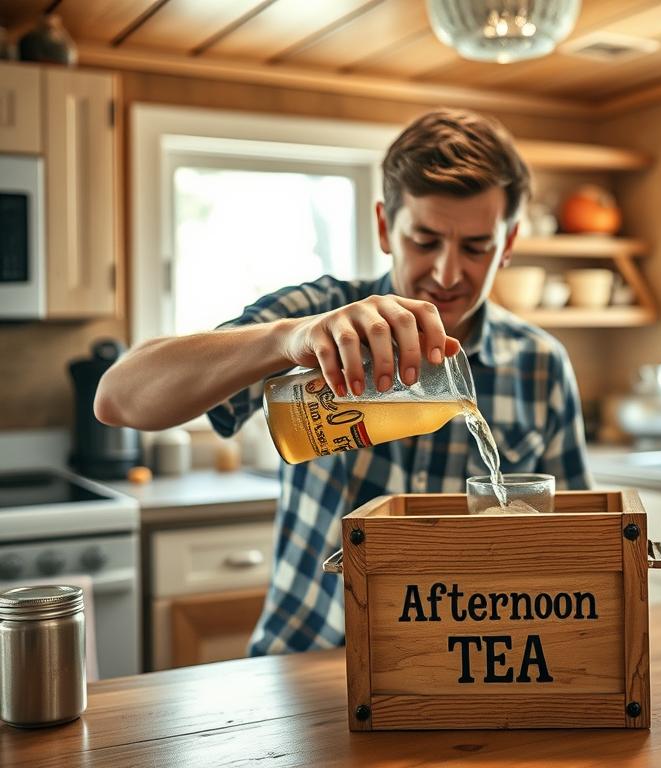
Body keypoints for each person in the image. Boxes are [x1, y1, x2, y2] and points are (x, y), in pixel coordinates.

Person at [95, 108, 592, 655]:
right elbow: (118, 398)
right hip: (308, 665)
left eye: (476, 248)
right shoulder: (322, 316)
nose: (449, 273)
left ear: (510, 242)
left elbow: (578, 551)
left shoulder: (541, 365)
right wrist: (287, 340)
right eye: (425, 240)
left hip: (467, 672)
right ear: (384, 226)